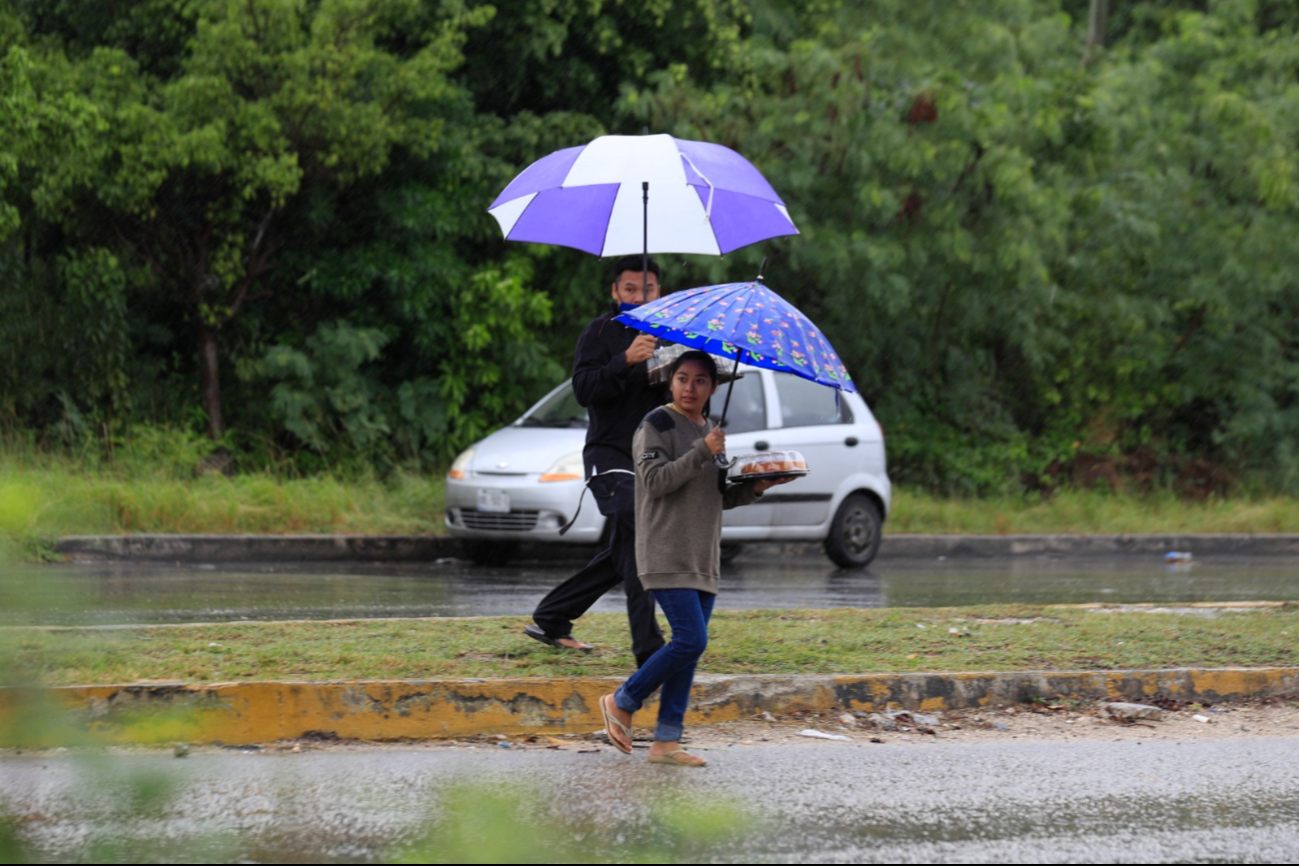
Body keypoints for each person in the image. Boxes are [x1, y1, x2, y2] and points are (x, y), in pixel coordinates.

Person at [598, 351, 793, 766]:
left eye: (700, 381)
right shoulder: (656, 425)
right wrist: (702, 451)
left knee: (689, 650)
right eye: (683, 379)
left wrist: (759, 487)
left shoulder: (710, 430)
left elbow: (718, 496)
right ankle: (622, 700)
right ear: (670, 382)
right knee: (691, 639)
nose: (690, 388)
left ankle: (667, 741)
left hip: (703, 556)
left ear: (714, 388)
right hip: (666, 551)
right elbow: (655, 482)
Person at [525, 256, 669, 667]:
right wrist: (625, 360)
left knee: (626, 546)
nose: (639, 297)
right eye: (630, 290)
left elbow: (680, 398)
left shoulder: (671, 335)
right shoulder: (600, 332)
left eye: (648, 290)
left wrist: (699, 378)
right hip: (609, 456)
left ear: (661, 292)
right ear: (614, 292)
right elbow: (584, 389)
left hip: (654, 458)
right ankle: (649, 648)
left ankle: (552, 615)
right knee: (638, 531)